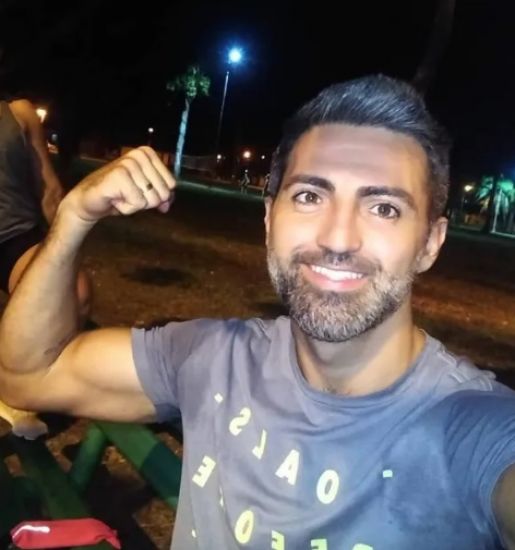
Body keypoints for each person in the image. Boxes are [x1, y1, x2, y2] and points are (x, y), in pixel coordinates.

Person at [0, 75, 514, 549]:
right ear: (269, 219)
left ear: (430, 243)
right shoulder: (213, 358)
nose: (338, 238)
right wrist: (73, 218)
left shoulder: (473, 431)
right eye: (310, 196)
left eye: (384, 208)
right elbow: (28, 376)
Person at [0, 98, 90, 438]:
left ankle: (23, 395)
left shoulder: (19, 114)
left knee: (77, 291)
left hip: (14, 236)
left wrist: (65, 251)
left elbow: (50, 192)